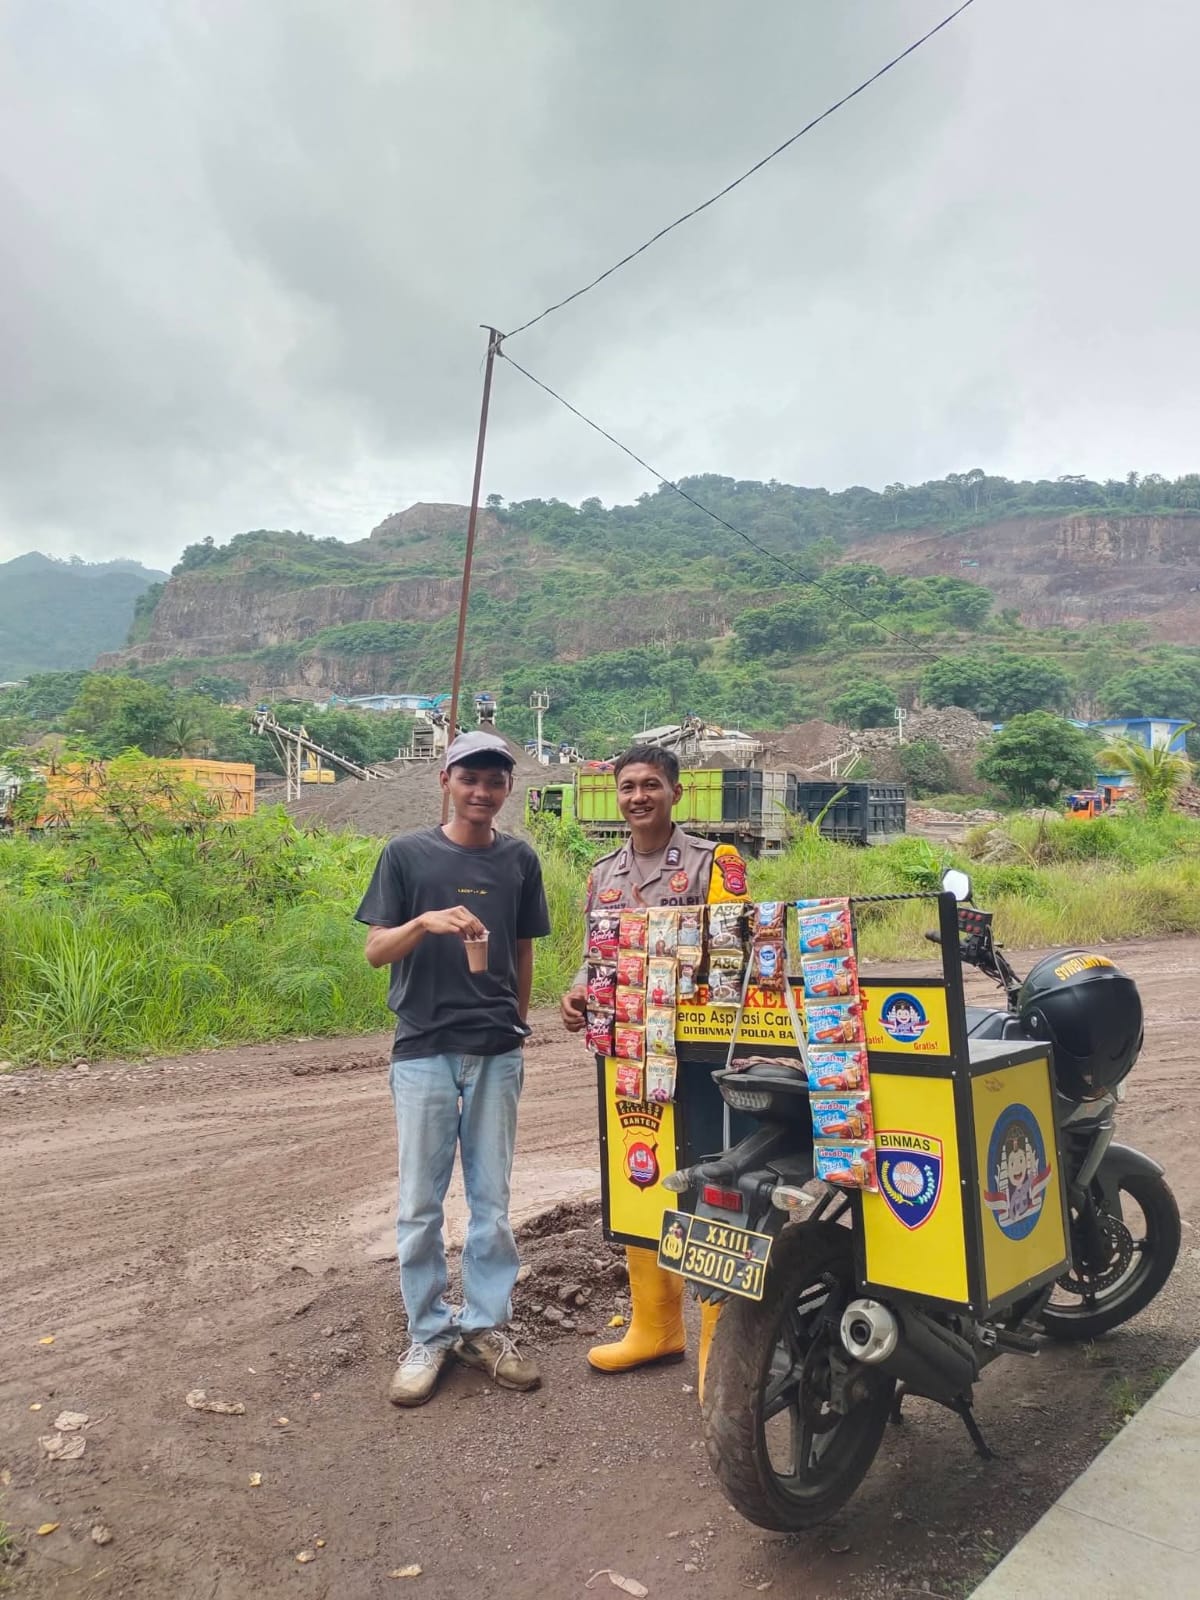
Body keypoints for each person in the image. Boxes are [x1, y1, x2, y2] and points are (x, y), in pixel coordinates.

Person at [356, 730, 551, 1407]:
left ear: (508, 789)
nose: (482, 792)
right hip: (424, 1048)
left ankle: (486, 1328)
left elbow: (522, 951)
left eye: (495, 781)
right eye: (470, 778)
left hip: (497, 1050)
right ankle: (429, 1334)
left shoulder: (519, 860)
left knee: (493, 1202)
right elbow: (375, 951)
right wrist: (425, 923)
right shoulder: (406, 855)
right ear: (445, 780)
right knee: (420, 1203)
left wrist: (517, 1024)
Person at [560, 743, 747, 1381]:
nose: (638, 797)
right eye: (628, 787)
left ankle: (723, 1345)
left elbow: (735, 955)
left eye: (650, 785)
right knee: (638, 1174)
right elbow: (596, 955)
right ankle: (657, 1327)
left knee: (712, 1179)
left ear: (676, 792)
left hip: (700, 1053)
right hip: (629, 1052)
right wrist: (579, 992)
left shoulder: (714, 862)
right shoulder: (602, 874)